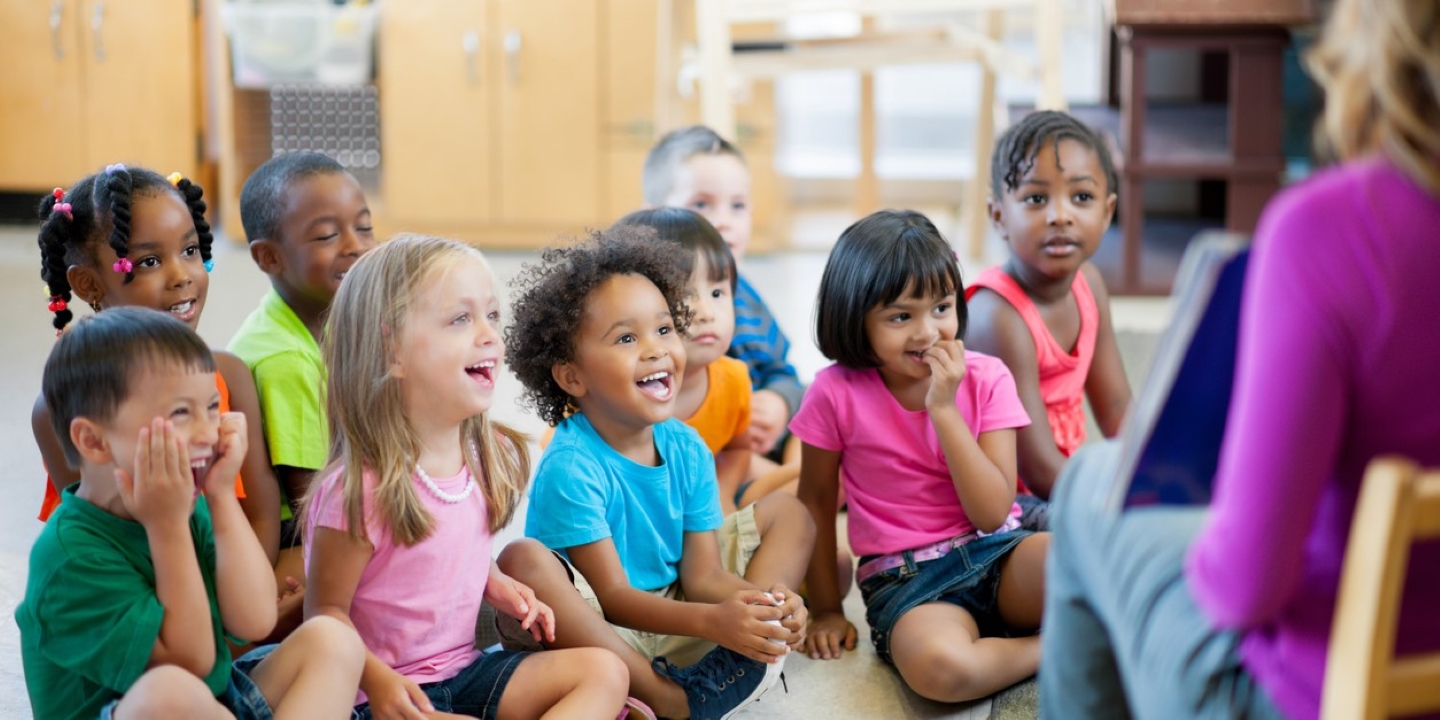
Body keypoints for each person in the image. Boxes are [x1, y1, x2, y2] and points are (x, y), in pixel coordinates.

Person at [1039, 1, 1440, 718]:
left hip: (1320, 695)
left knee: (1089, 487)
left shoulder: (1332, 234)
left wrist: (1230, 512)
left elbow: (1244, 587)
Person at [301, 234, 634, 720]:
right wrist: (381, 684)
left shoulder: (484, 455)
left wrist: (495, 583)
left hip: (464, 672)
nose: (489, 336)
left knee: (605, 672)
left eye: (492, 316)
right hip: (380, 697)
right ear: (391, 348)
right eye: (461, 319)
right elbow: (323, 618)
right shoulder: (357, 490)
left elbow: (451, 557)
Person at [497, 228, 815, 720]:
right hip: (606, 631)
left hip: (681, 611)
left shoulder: (686, 446)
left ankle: (751, 642)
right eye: (627, 337)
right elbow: (615, 598)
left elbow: (703, 574)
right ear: (572, 377)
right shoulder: (572, 466)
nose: (656, 349)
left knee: (791, 512)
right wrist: (713, 621)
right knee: (524, 559)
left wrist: (757, 607)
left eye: (665, 329)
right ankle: (663, 697)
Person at [17, 306, 365, 720]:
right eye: (181, 413)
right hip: (155, 707)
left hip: (215, 701)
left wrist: (219, 498)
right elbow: (190, 665)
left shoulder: (190, 502)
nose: (209, 431)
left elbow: (255, 619)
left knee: (333, 640)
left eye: (213, 407)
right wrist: (167, 529)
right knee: (170, 691)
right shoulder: (69, 557)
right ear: (94, 441)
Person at [794, 210, 1048, 704]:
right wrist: (827, 607)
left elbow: (993, 513)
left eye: (941, 308)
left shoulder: (988, 376)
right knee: (942, 671)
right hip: (906, 582)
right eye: (900, 316)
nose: (927, 332)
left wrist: (944, 409)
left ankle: (1024, 637)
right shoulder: (832, 393)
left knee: (1089, 565)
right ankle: (1053, 647)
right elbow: (816, 504)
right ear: (855, 318)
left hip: (996, 549)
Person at [31, 165, 286, 579]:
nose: (182, 275)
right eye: (149, 261)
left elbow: (262, 515)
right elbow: (104, 545)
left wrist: (242, 604)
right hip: (141, 600)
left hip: (235, 588)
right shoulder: (60, 408)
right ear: (88, 285)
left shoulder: (231, 376)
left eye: (189, 250)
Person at [965, 110, 1131, 528]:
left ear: (1108, 212)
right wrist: (1119, 499)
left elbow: (1115, 410)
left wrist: (1156, 474)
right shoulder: (997, 315)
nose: (1061, 215)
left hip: (1057, 482)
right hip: (1005, 503)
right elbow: (1036, 467)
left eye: (1081, 197)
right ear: (999, 216)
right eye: (1037, 199)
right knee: (1107, 532)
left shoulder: (1088, 284)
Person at [230, 151, 376, 573]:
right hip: (291, 537)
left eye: (364, 227)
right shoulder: (285, 358)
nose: (356, 246)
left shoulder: (321, 317)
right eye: (328, 236)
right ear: (269, 258)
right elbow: (311, 505)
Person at [643, 126, 803, 469]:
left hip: (760, 436)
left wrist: (778, 402)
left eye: (738, 206)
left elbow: (784, 372)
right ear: (654, 216)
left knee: (828, 414)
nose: (723, 221)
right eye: (701, 204)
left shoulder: (747, 295)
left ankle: (800, 480)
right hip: (708, 451)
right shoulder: (648, 305)